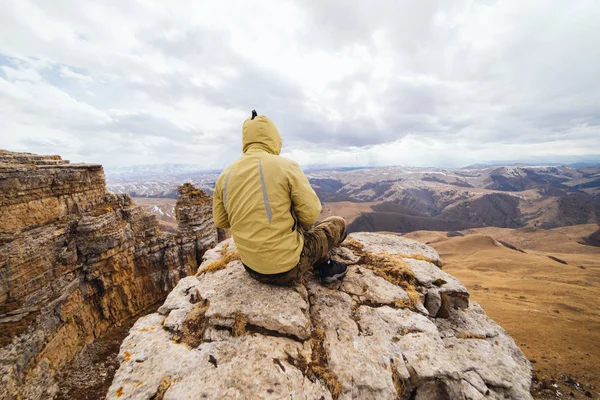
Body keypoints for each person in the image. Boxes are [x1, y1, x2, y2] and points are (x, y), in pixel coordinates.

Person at [212, 110, 348, 286]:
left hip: (251, 268)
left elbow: (221, 221)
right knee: (337, 223)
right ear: (274, 137)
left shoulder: (225, 175)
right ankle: (325, 267)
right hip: (287, 268)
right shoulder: (286, 166)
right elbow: (310, 215)